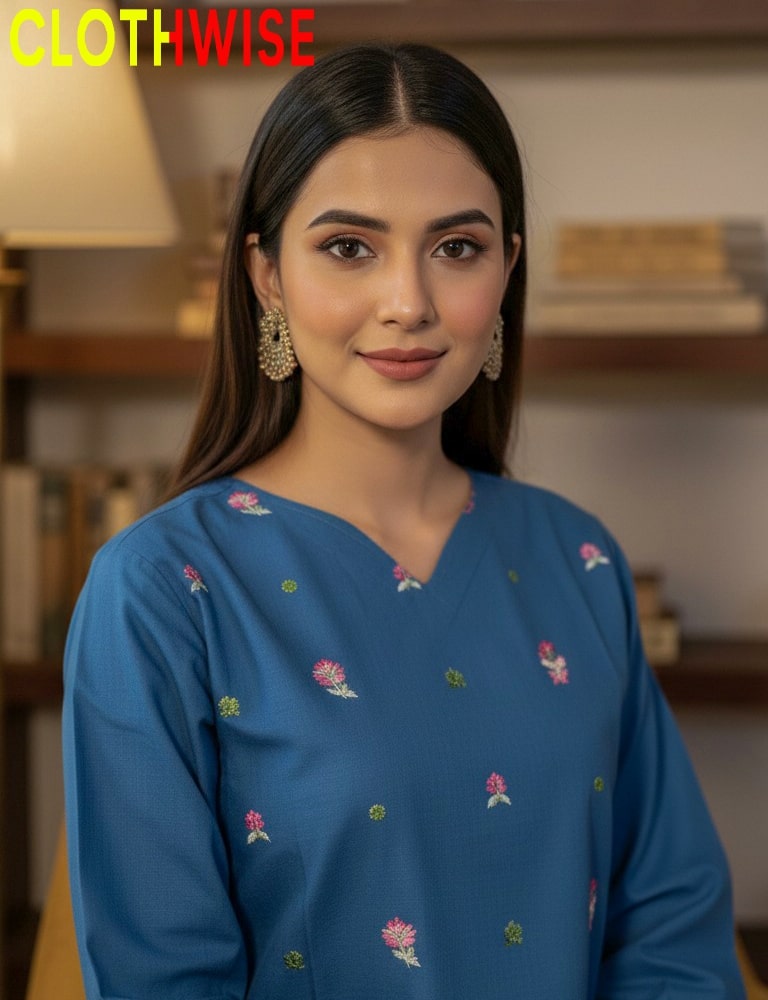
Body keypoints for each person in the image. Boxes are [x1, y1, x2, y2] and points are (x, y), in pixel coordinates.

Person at [62, 42, 745, 1000]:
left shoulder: (577, 557)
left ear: (505, 271)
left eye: (456, 248)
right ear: (266, 276)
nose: (408, 304)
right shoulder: (163, 590)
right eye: (350, 248)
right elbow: (160, 977)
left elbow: (672, 937)